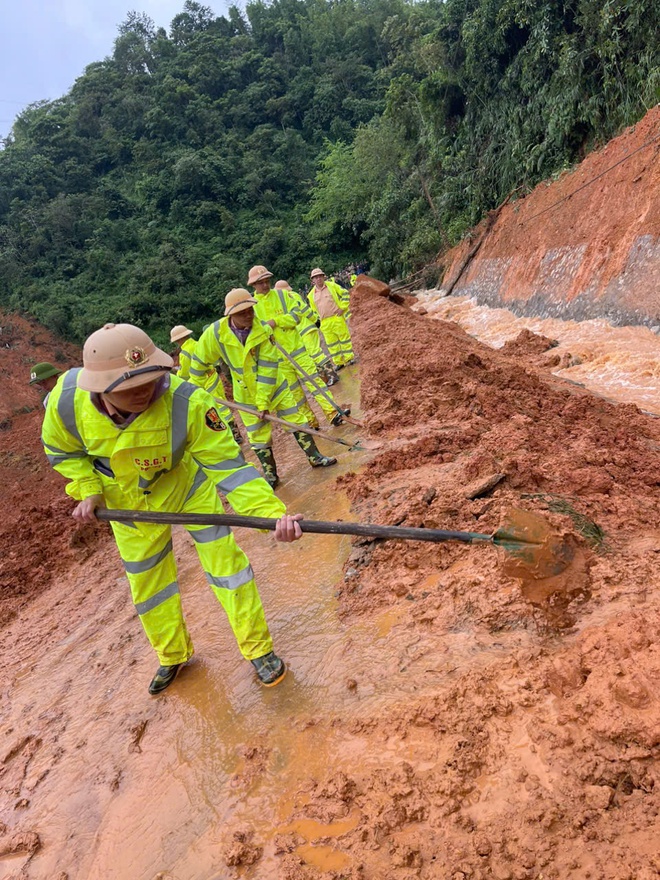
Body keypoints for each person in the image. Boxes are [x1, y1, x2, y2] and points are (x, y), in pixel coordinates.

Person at [42, 322, 303, 695]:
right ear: (100, 387)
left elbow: (230, 468)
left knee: (227, 568)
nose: (145, 393)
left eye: (149, 380)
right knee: (150, 585)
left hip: (185, 487)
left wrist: (272, 516)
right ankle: (172, 654)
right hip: (126, 503)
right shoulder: (65, 403)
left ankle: (259, 650)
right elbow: (62, 452)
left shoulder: (187, 402)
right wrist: (88, 489)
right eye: (129, 388)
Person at [190, 289, 337, 488]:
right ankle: (271, 476)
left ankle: (315, 456)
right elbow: (198, 362)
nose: (248, 315)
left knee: (295, 420)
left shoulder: (262, 330)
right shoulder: (215, 335)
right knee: (257, 435)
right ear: (230, 315)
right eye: (242, 313)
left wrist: (263, 403)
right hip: (244, 394)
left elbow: (268, 369)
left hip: (274, 387)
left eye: (250, 310)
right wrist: (196, 392)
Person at [247, 265, 344, 426]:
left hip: (297, 351)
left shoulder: (283, 295)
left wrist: (276, 321)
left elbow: (296, 316)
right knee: (295, 394)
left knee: (316, 382)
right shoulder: (252, 308)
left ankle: (333, 412)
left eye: (266, 281)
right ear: (253, 286)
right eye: (260, 283)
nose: (265, 285)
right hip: (278, 358)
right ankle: (311, 422)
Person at [170, 324, 242, 444]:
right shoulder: (198, 344)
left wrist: (177, 375)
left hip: (203, 381)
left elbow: (184, 375)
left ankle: (229, 435)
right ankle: (235, 433)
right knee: (222, 406)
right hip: (213, 376)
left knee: (213, 409)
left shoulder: (185, 353)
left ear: (177, 340)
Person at [274, 280, 339, 386]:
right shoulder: (288, 297)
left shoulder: (290, 297)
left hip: (305, 329)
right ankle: (325, 378)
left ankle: (332, 375)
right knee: (311, 356)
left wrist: (315, 320)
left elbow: (303, 309)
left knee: (315, 353)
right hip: (304, 330)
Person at [308, 268, 355, 369]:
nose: (319, 279)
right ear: (313, 280)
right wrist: (317, 321)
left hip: (336, 317)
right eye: (316, 277)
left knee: (344, 339)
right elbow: (313, 311)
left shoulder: (332, 286)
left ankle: (349, 358)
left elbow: (345, 293)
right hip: (324, 322)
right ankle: (339, 362)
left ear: (323, 277)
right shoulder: (311, 295)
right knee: (331, 344)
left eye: (320, 276)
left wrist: (342, 308)